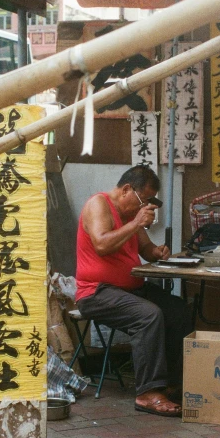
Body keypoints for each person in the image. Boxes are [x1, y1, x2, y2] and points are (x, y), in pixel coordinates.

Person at [75, 165, 191, 417]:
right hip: (96, 292)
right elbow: (102, 244)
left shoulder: (132, 215)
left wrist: (158, 252)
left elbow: (146, 250)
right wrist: (137, 222)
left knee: (178, 310)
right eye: (144, 199)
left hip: (130, 288)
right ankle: (147, 393)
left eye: (150, 201)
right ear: (127, 189)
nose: (146, 206)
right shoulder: (99, 204)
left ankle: (169, 383)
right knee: (147, 315)